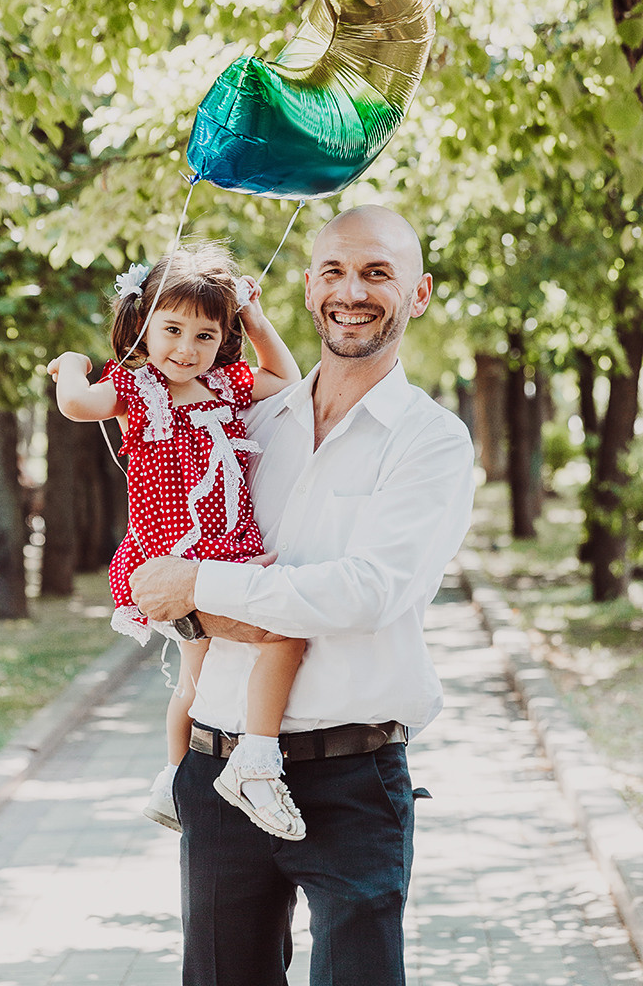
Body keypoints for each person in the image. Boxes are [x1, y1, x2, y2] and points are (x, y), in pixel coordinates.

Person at [129, 205, 475, 986]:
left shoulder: (431, 440)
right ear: (310, 288)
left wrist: (200, 588)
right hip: (218, 773)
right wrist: (193, 596)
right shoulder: (248, 421)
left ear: (418, 293)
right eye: (335, 272)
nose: (352, 292)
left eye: (377, 273)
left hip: (354, 779)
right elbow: (169, 562)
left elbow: (366, 593)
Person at [47, 243, 307, 840]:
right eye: (172, 330)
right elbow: (77, 404)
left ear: (222, 339)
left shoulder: (224, 384)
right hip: (173, 560)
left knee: (195, 677)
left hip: (224, 554)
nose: (187, 349)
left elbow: (285, 377)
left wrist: (254, 317)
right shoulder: (136, 388)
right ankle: (256, 761)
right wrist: (72, 365)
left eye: (205, 335)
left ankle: (171, 779)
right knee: (285, 633)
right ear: (143, 323)